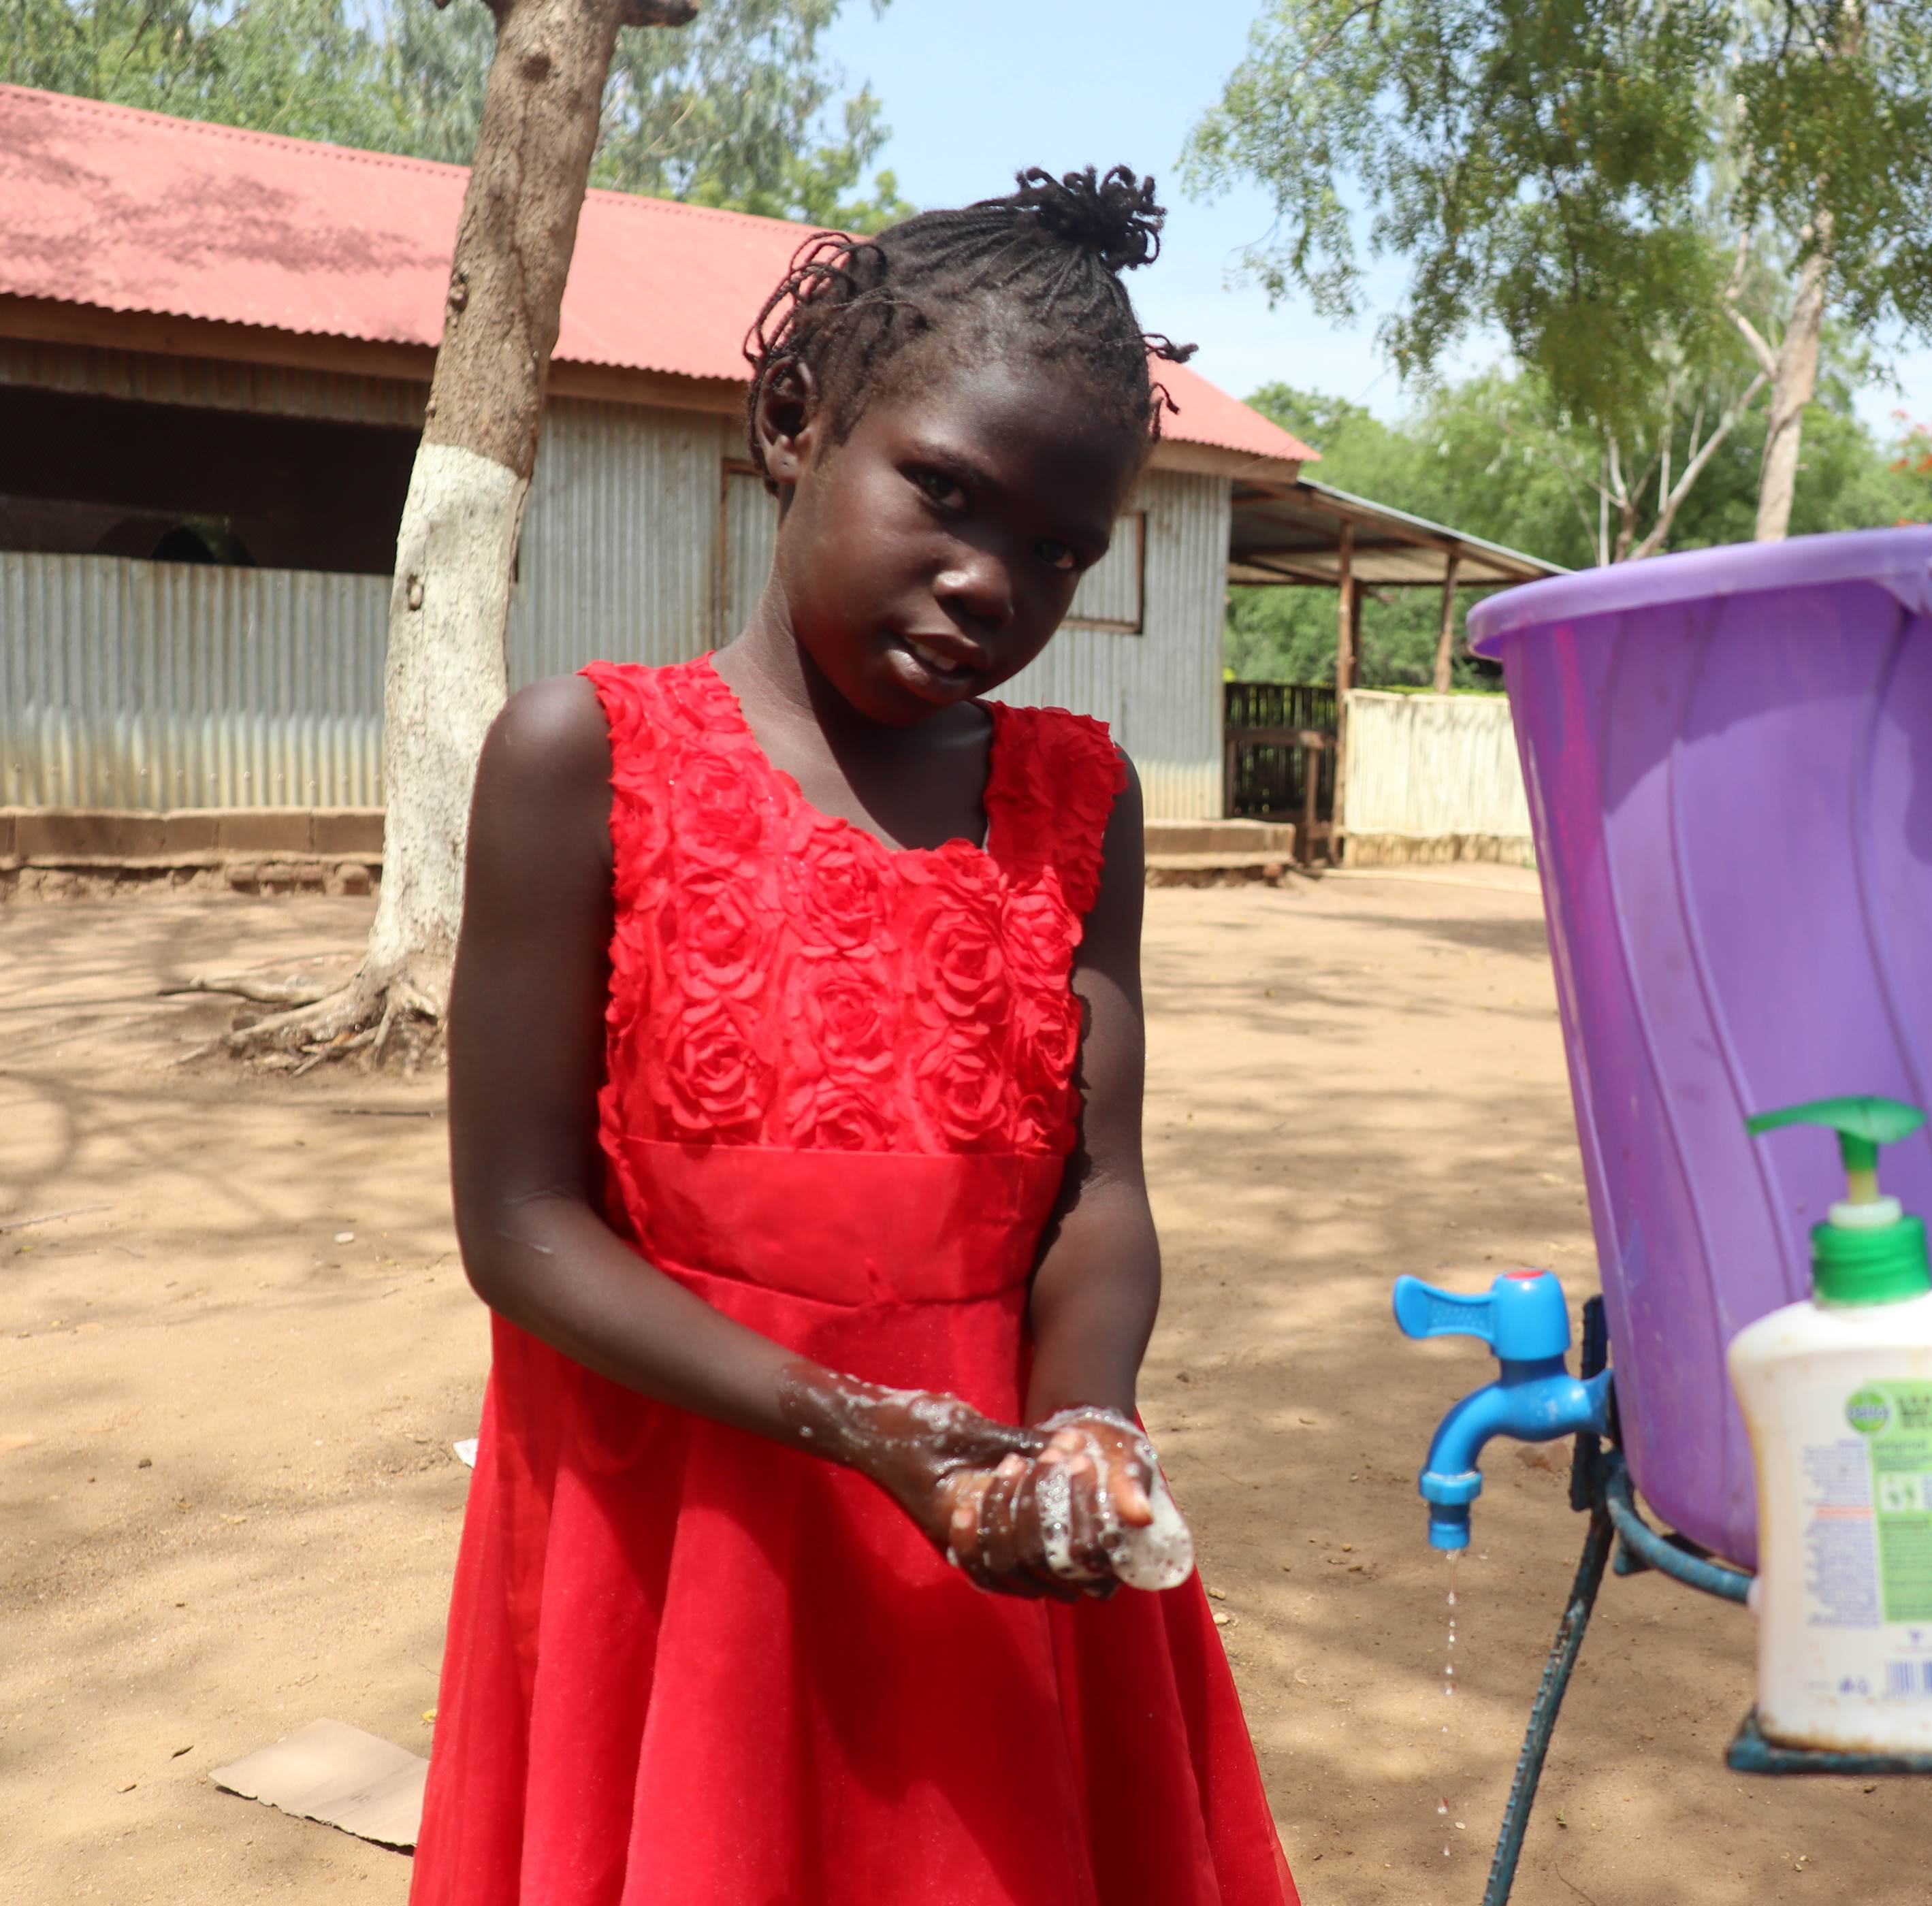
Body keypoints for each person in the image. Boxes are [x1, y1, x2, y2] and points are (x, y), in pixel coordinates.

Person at [413, 167, 1299, 1906]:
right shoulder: (579, 759)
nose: (993, 584)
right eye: (946, 495)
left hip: (987, 1529)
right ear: (794, 420)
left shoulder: (1075, 799)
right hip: (686, 1519)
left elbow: (1097, 1194)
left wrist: (1087, 1423)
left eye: (1059, 550)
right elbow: (516, 1228)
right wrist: (855, 1424)